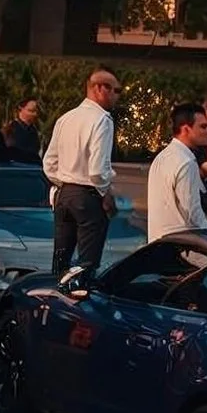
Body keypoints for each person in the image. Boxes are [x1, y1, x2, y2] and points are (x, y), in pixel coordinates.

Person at [43, 70, 120, 274]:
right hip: (87, 196)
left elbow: (49, 163)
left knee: (60, 261)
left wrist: (64, 183)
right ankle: (80, 299)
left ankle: (55, 299)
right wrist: (106, 193)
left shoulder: (66, 118)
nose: (117, 96)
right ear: (99, 88)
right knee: (86, 263)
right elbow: (97, 170)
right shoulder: (102, 120)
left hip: (64, 194)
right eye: (115, 90)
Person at [143, 100, 207, 237]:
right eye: (203, 127)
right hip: (180, 247)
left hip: (159, 244)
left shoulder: (161, 158)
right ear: (186, 129)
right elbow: (193, 214)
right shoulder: (186, 162)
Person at [4, 97, 43, 165]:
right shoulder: (11, 128)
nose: (34, 114)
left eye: (36, 111)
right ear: (21, 109)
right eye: (31, 111)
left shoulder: (33, 130)